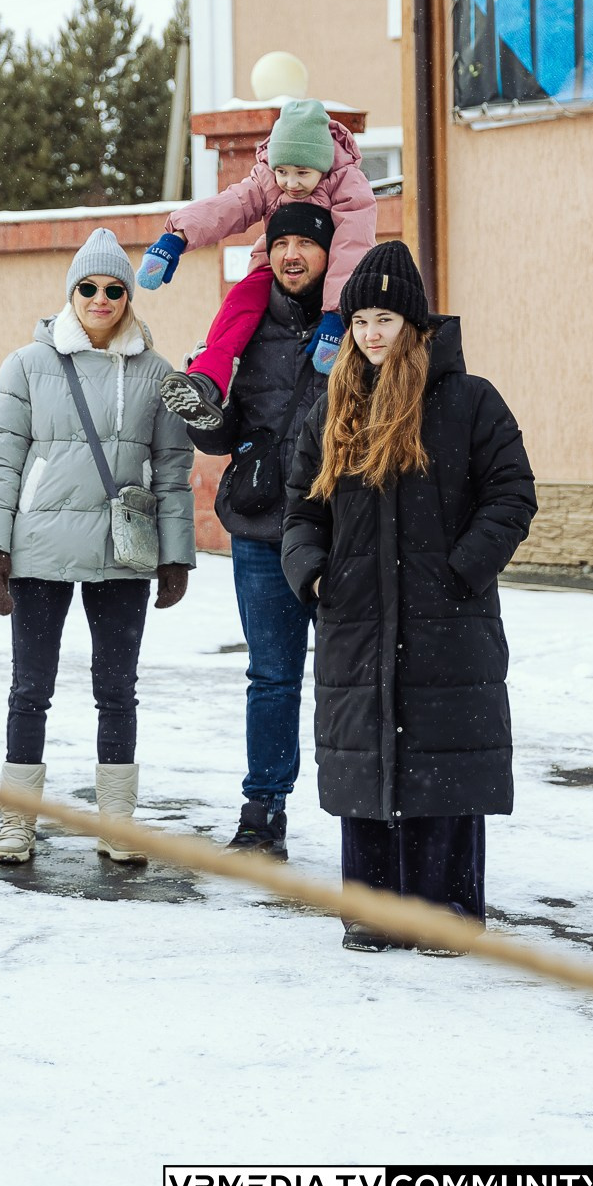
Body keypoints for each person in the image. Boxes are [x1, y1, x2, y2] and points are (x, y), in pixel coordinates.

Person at [282, 241, 536, 952]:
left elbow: (512, 495)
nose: (370, 333)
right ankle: (373, 909)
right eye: (359, 319)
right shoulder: (331, 409)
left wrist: (460, 571)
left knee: (441, 762)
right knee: (365, 758)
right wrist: (316, 575)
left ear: (415, 324)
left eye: (385, 318)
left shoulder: (469, 400)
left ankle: (444, 910)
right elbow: (301, 511)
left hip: (446, 618)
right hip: (355, 618)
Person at [0, 229, 197, 865]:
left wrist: (175, 554)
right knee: (30, 690)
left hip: (121, 554)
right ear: (70, 292)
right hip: (39, 549)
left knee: (117, 690)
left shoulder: (157, 373)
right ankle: (18, 824)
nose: (101, 298)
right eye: (88, 287)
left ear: (129, 295)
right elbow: (0, 462)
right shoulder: (26, 364)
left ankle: (117, 825)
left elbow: (172, 468)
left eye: (114, 288)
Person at [185, 202, 342, 857]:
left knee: (346, 677)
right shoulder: (243, 325)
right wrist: (204, 414)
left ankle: (363, 805)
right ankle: (263, 811)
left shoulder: (352, 328)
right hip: (262, 526)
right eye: (282, 244)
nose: (292, 255)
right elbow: (228, 431)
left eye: (307, 243)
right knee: (273, 675)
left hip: (338, 529)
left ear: (331, 255)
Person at [139, 99, 378, 428]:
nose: (290, 183)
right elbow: (229, 206)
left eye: (302, 173)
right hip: (274, 265)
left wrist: (337, 315)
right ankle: (208, 379)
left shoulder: (346, 182)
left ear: (322, 165)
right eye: (283, 172)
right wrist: (176, 238)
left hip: (332, 271)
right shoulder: (266, 179)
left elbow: (354, 244)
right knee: (239, 303)